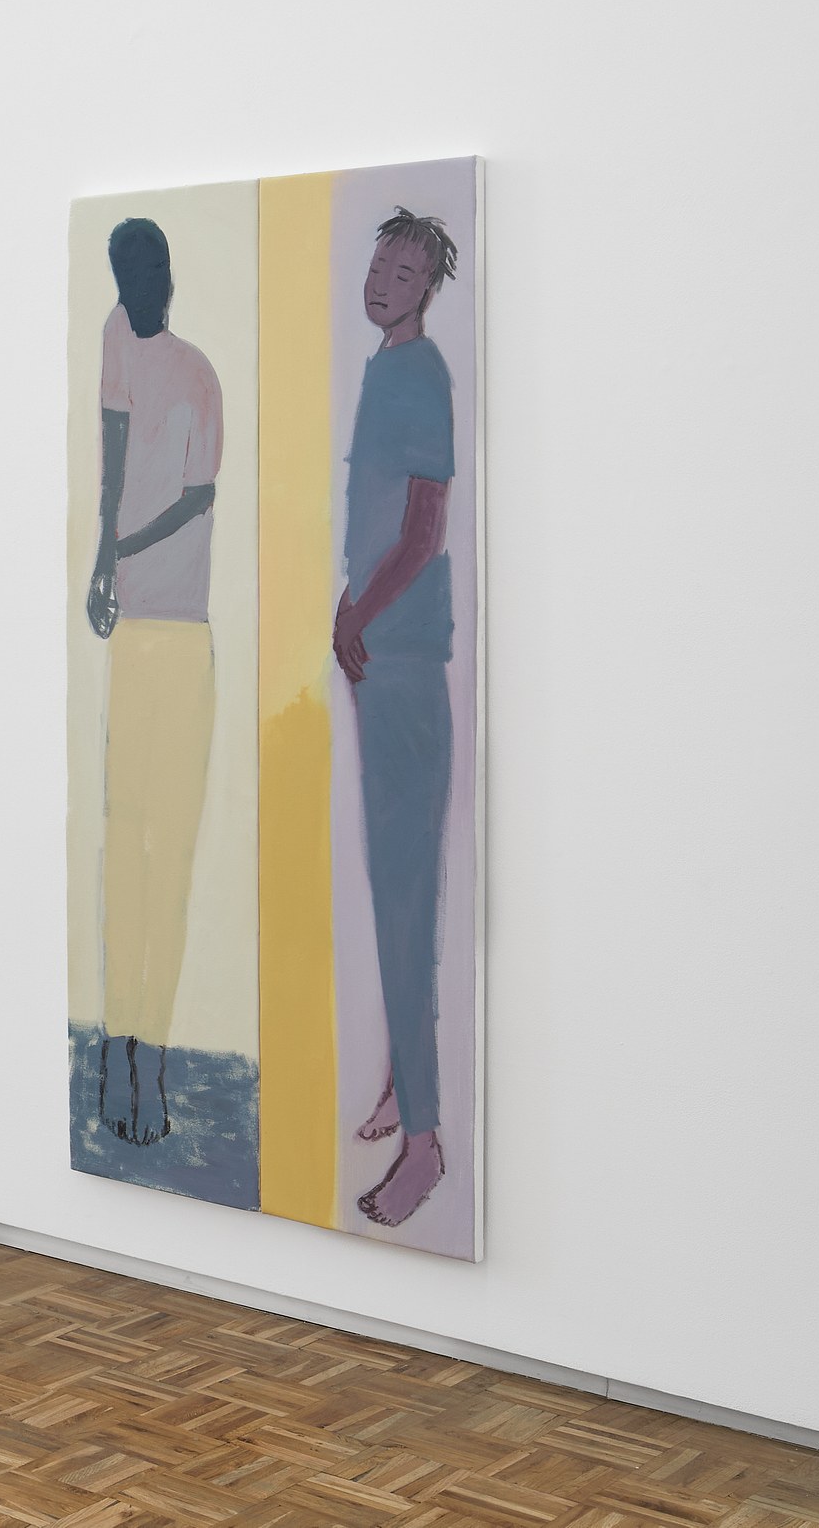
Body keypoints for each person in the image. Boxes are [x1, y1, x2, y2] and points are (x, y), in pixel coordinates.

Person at [85, 217, 224, 1149]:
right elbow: (112, 462)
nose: (143, 287)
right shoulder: (116, 341)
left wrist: (121, 551)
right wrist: (101, 564)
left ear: (168, 278)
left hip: (182, 637)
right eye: (129, 274)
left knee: (165, 860)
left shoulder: (200, 373)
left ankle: (153, 1064)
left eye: (153, 272)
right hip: (135, 637)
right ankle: (116, 1052)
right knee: (124, 853)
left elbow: (198, 497)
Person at [336, 208, 461, 1230]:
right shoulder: (385, 370)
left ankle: (423, 1144)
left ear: (428, 290)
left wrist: (356, 613)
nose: (384, 280)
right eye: (381, 262)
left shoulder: (418, 376)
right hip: (382, 652)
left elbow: (421, 531)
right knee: (392, 886)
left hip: (403, 656)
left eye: (406, 272)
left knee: (405, 894)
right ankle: (399, 1084)